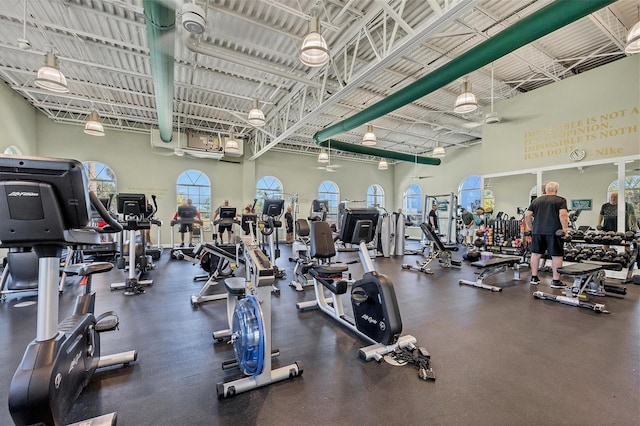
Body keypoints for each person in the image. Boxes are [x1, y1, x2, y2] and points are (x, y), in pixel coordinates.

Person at [524, 181, 569, 288]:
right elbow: (563, 215)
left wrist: (531, 228)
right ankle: (555, 281)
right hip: (554, 232)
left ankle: (534, 277)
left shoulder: (537, 200)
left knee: (535, 254)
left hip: (538, 231)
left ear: (546, 190)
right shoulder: (560, 200)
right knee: (556, 255)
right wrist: (565, 230)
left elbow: (527, 215)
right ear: (556, 190)